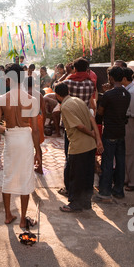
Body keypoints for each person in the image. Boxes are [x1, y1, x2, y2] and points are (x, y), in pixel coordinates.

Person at [0, 64, 42, 227]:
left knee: (9, 175)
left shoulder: (1, 99)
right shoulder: (32, 100)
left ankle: (8, 215)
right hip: (25, 138)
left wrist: (6, 131)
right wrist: (38, 151)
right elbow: (35, 130)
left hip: (11, 137)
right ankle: (22, 220)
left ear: (8, 79)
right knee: (25, 177)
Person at [55, 83, 103, 212]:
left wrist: (91, 133)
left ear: (57, 95)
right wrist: (97, 139)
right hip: (90, 145)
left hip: (78, 146)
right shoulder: (78, 100)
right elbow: (92, 119)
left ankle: (75, 203)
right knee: (87, 175)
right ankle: (86, 202)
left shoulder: (64, 106)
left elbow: (79, 126)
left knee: (76, 176)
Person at [96, 66, 131, 202]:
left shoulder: (108, 95)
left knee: (107, 162)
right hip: (121, 131)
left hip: (109, 131)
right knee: (120, 161)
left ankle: (104, 192)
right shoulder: (126, 94)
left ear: (110, 77)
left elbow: (100, 112)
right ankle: (118, 190)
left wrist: (103, 96)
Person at [122, 68, 134, 192]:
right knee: (127, 152)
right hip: (127, 122)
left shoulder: (132, 92)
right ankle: (127, 178)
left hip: (131, 122)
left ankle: (133, 181)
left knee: (131, 153)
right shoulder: (128, 90)